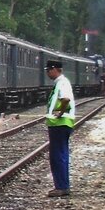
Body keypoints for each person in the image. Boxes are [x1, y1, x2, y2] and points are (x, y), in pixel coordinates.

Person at [44, 59, 76, 197]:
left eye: (48, 70)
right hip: (60, 124)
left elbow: (66, 99)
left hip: (61, 123)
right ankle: (62, 185)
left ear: (54, 69)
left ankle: (62, 187)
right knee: (59, 155)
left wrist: (60, 112)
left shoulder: (62, 83)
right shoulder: (60, 83)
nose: (47, 73)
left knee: (58, 156)